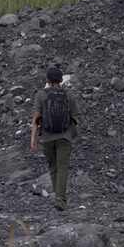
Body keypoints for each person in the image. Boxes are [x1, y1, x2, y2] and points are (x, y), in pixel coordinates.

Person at [30, 67, 79, 211]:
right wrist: (73, 135)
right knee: (62, 167)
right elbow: (75, 117)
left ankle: (57, 197)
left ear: (47, 80)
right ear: (61, 80)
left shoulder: (41, 95)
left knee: (53, 168)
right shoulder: (68, 95)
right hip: (65, 137)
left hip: (46, 137)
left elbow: (36, 119)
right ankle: (60, 199)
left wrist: (33, 139)